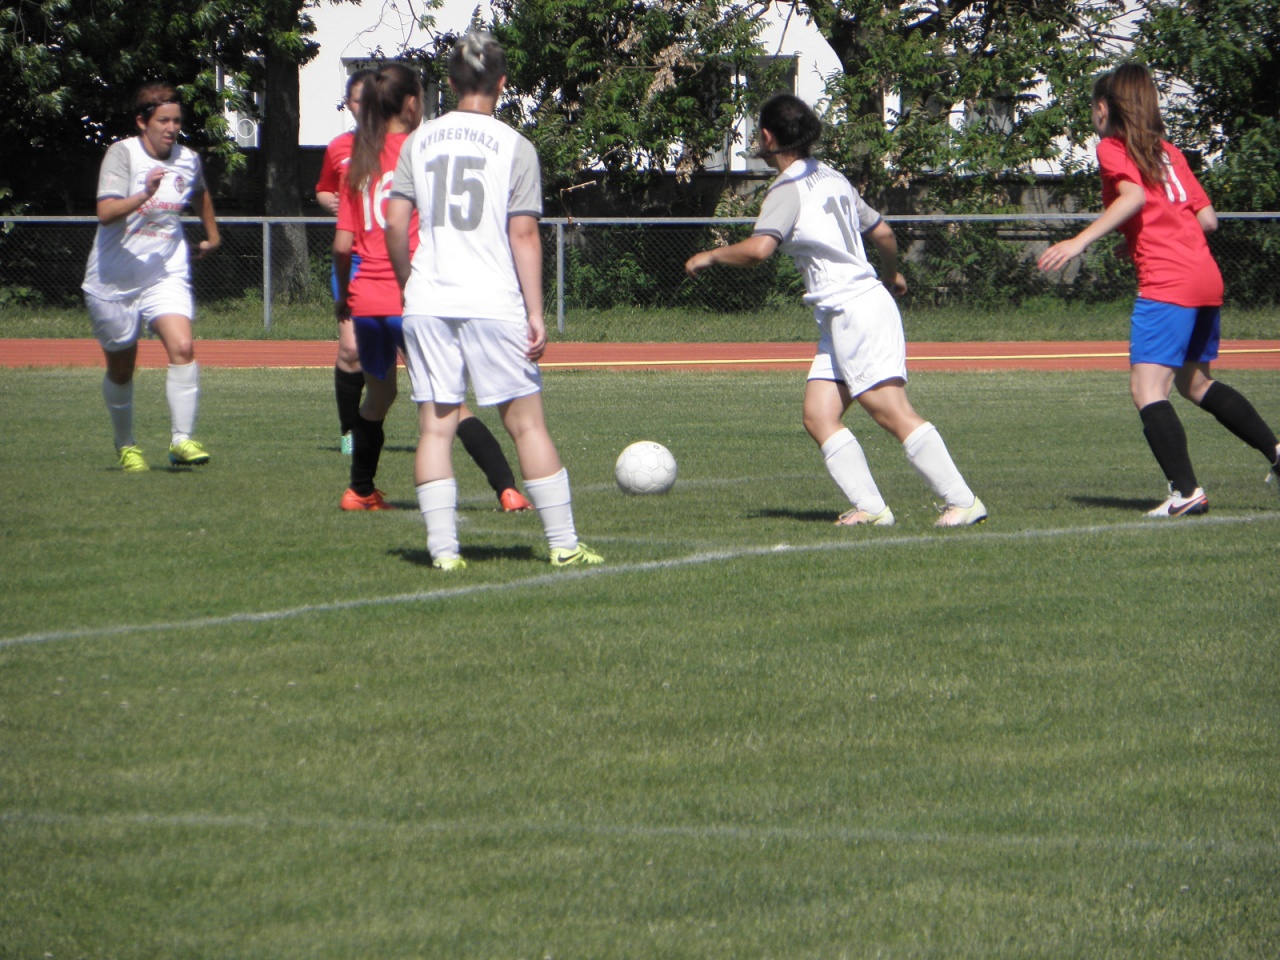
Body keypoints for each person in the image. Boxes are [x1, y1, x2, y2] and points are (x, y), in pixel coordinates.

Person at [685, 94, 986, 528]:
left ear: (768, 137)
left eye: (758, 130)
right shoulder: (832, 176)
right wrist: (890, 273)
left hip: (854, 309)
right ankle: (872, 508)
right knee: (819, 414)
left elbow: (759, 249)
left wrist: (710, 256)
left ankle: (963, 500)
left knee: (890, 410)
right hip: (846, 310)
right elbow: (882, 231)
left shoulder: (787, 188)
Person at [385, 30, 602, 570]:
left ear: (451, 83)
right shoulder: (515, 146)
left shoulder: (418, 141)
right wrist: (535, 311)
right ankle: (563, 545)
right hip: (493, 299)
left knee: (435, 426)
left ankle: (443, 552)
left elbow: (394, 223)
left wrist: (411, 281)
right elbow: (523, 235)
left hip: (429, 299)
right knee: (526, 424)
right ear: (502, 83)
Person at [1039, 63, 1280, 516]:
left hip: (1169, 281)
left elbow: (1133, 198)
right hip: (1205, 276)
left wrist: (1078, 242)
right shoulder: (1168, 151)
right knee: (1195, 382)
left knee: (1147, 389)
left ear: (1104, 108)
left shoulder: (1112, 147)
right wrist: (1139, 239)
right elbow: (1207, 220)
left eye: (1095, 107)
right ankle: (1277, 451)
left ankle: (1186, 493)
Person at [333, 63, 532, 513]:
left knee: (378, 398)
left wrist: (342, 297)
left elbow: (343, 245)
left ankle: (359, 490)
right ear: (410, 103)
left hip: (366, 299)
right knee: (450, 406)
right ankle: (507, 488)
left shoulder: (358, 160)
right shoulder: (423, 149)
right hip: (414, 296)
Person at [82, 81, 220, 472]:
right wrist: (144, 194)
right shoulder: (122, 154)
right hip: (113, 280)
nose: (172, 128)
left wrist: (212, 235)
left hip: (165, 271)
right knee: (122, 368)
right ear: (143, 121)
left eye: (176, 120)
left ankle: (181, 440)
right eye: (163, 120)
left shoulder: (187, 158)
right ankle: (126, 446)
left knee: (182, 346)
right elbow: (106, 212)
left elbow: (200, 193)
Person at [316, 69, 374, 456]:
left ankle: (437, 426)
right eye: (357, 99)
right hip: (352, 259)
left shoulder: (403, 147)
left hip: (392, 259)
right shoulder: (338, 147)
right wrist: (330, 203)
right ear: (348, 104)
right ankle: (350, 430)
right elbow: (322, 189)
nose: (364, 106)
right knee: (351, 349)